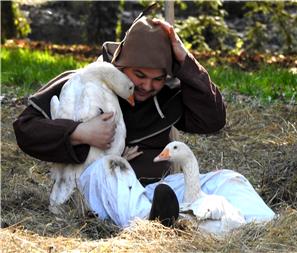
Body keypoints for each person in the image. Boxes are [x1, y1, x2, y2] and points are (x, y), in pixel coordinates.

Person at [13, 17, 274, 229]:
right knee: (111, 167)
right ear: (120, 63)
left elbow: (213, 120)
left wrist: (185, 60)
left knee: (227, 179)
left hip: (156, 192)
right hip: (99, 190)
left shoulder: (167, 94)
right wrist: (79, 133)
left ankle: (259, 224)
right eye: (138, 75)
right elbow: (25, 129)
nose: (147, 86)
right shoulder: (85, 82)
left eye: (158, 78)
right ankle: (157, 227)